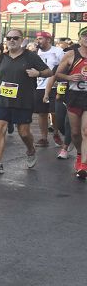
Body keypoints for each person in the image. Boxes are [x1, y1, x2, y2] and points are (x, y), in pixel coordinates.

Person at [0, 29, 52, 175]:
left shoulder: (30, 56)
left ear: (21, 39)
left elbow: (49, 72)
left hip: (24, 100)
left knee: (23, 132)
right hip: (4, 100)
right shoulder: (2, 57)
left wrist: (38, 73)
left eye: (15, 38)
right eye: (9, 38)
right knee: (0, 128)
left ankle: (30, 149)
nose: (11, 40)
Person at [53, 28, 87, 176]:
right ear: (80, 38)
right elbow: (57, 74)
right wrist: (70, 78)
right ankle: (79, 154)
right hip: (74, 96)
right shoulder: (71, 54)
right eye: (85, 35)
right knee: (75, 133)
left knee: (85, 131)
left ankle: (83, 165)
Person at [33, 31, 63, 148]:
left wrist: (59, 79)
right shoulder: (36, 53)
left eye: (40, 39)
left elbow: (66, 66)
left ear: (48, 40)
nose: (38, 41)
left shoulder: (57, 52)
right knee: (42, 113)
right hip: (39, 86)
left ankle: (56, 132)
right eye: (37, 39)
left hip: (54, 87)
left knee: (54, 112)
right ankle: (44, 138)